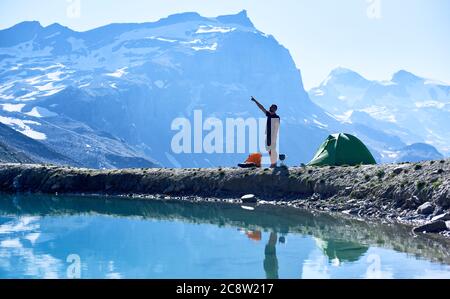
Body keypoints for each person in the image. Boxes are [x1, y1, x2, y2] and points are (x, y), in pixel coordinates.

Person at [251, 96, 280, 168]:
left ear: (275, 109)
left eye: (272, 107)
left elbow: (276, 128)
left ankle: (274, 163)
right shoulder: (269, 114)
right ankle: (273, 162)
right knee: (269, 149)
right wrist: (255, 101)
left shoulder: (277, 117)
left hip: (272, 136)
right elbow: (261, 108)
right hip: (268, 135)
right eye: (270, 107)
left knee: (272, 149)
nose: (270, 108)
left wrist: (273, 136)